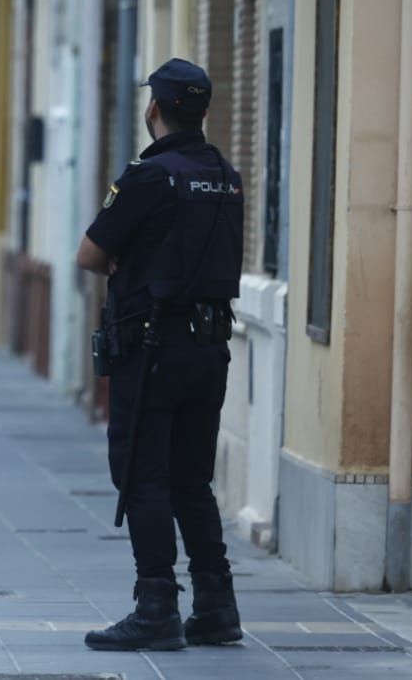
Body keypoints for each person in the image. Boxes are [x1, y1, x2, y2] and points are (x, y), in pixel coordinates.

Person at [76, 58, 245, 652]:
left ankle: (155, 608)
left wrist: (128, 255)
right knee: (191, 479)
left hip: (153, 349)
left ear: (155, 109)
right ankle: (217, 606)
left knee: (142, 474)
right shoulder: (225, 174)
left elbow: (90, 254)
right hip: (210, 346)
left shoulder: (150, 177)